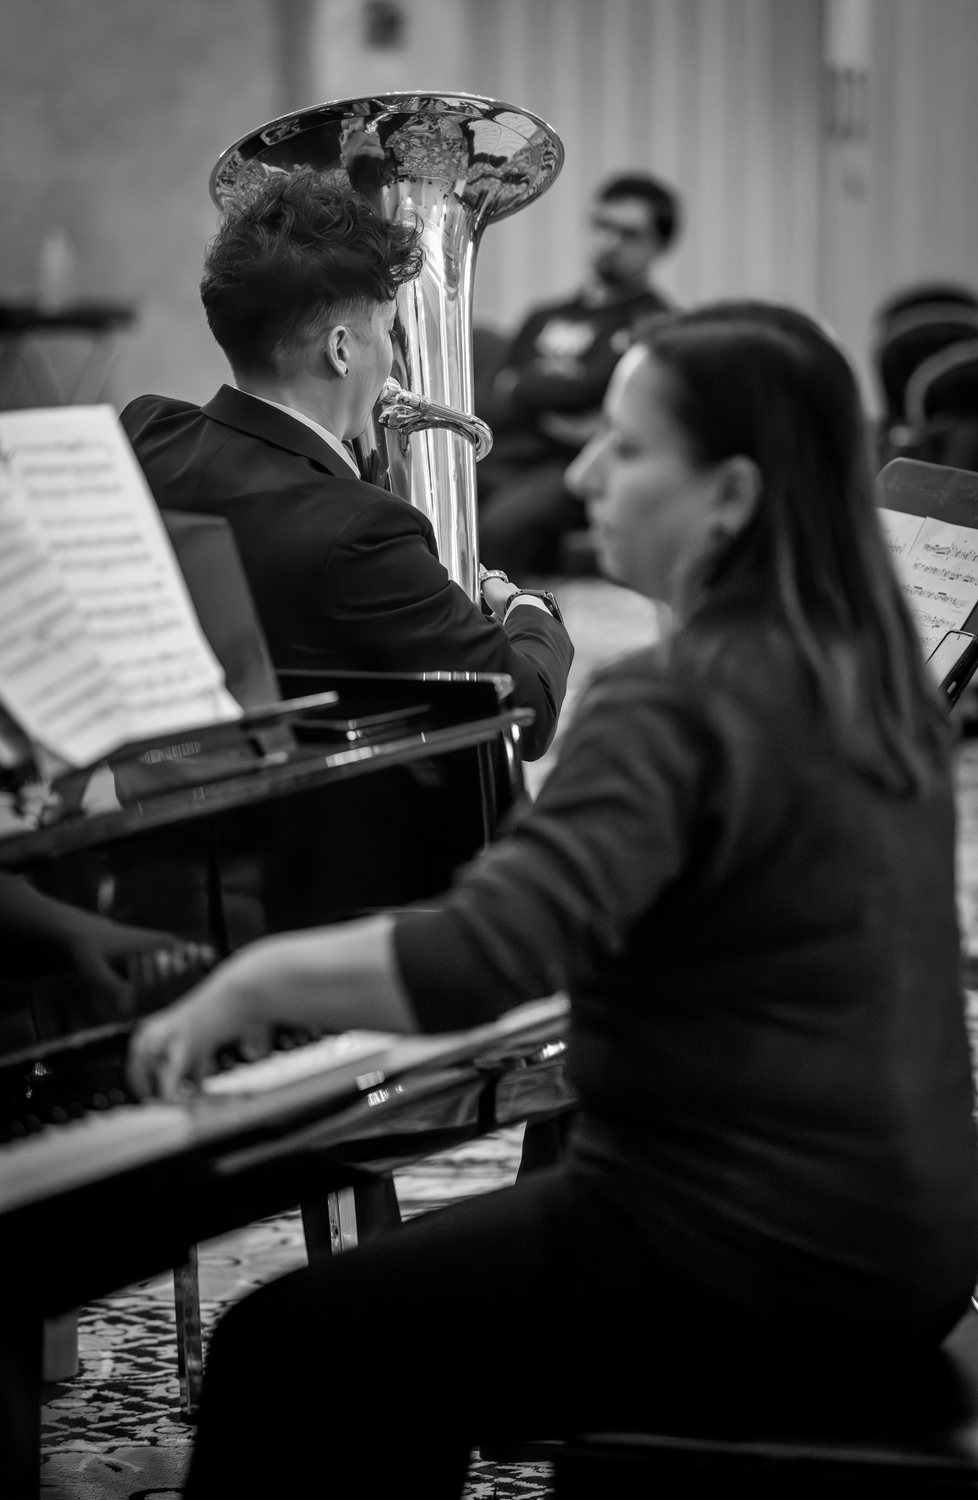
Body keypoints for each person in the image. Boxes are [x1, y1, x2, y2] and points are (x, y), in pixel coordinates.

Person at [130, 303, 978, 1498]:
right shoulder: (871, 673)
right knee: (420, 1311)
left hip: (739, 1247)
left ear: (729, 496)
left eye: (626, 449)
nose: (583, 470)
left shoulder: (676, 701)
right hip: (908, 1238)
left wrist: (251, 980)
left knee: (285, 1347)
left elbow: (482, 961)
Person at [121, 173, 572, 764]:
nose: (390, 356)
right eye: (388, 331)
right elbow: (526, 716)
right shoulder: (364, 531)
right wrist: (529, 612)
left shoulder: (146, 431)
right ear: (340, 350)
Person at [478, 171, 679, 578]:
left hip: (574, 465)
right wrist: (562, 394)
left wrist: (529, 388)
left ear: (658, 245)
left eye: (628, 234)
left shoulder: (657, 323)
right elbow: (497, 393)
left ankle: (510, 629)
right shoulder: (545, 314)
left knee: (501, 528)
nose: (609, 242)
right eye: (602, 226)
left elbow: (596, 397)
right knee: (428, 503)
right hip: (508, 452)